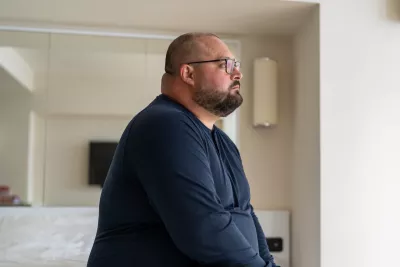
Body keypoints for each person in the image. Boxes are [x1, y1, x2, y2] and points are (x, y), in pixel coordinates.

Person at [87, 32, 278, 267]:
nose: (237, 74)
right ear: (188, 73)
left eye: (236, 66)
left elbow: (246, 214)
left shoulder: (224, 142)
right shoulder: (165, 124)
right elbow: (204, 226)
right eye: (226, 65)